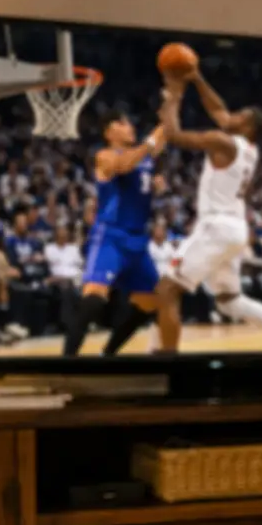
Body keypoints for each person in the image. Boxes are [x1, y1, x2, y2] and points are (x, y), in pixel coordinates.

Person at [152, 70, 262, 351]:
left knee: (167, 291)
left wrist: (173, 96)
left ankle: (167, 361)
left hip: (216, 226)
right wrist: (196, 78)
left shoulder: (223, 141)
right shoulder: (249, 149)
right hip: (235, 228)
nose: (233, 114)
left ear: (248, 125)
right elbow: (218, 110)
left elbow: (173, 134)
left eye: (240, 114)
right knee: (228, 300)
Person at [61, 112, 165, 356]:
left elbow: (166, 133)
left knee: (152, 302)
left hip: (138, 239)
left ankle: (108, 354)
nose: (129, 126)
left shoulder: (145, 156)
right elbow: (124, 165)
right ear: (108, 132)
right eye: (122, 122)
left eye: (129, 121)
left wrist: (172, 103)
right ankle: (66, 360)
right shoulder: (104, 156)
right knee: (94, 297)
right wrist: (152, 140)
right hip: (111, 236)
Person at [43, 223, 83, 336]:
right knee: (67, 287)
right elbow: (51, 268)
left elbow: (81, 265)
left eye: (65, 232)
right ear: (56, 235)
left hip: (76, 278)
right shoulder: (49, 249)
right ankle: (68, 324)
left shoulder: (73, 248)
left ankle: (84, 321)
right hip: (59, 280)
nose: (64, 234)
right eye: (61, 232)